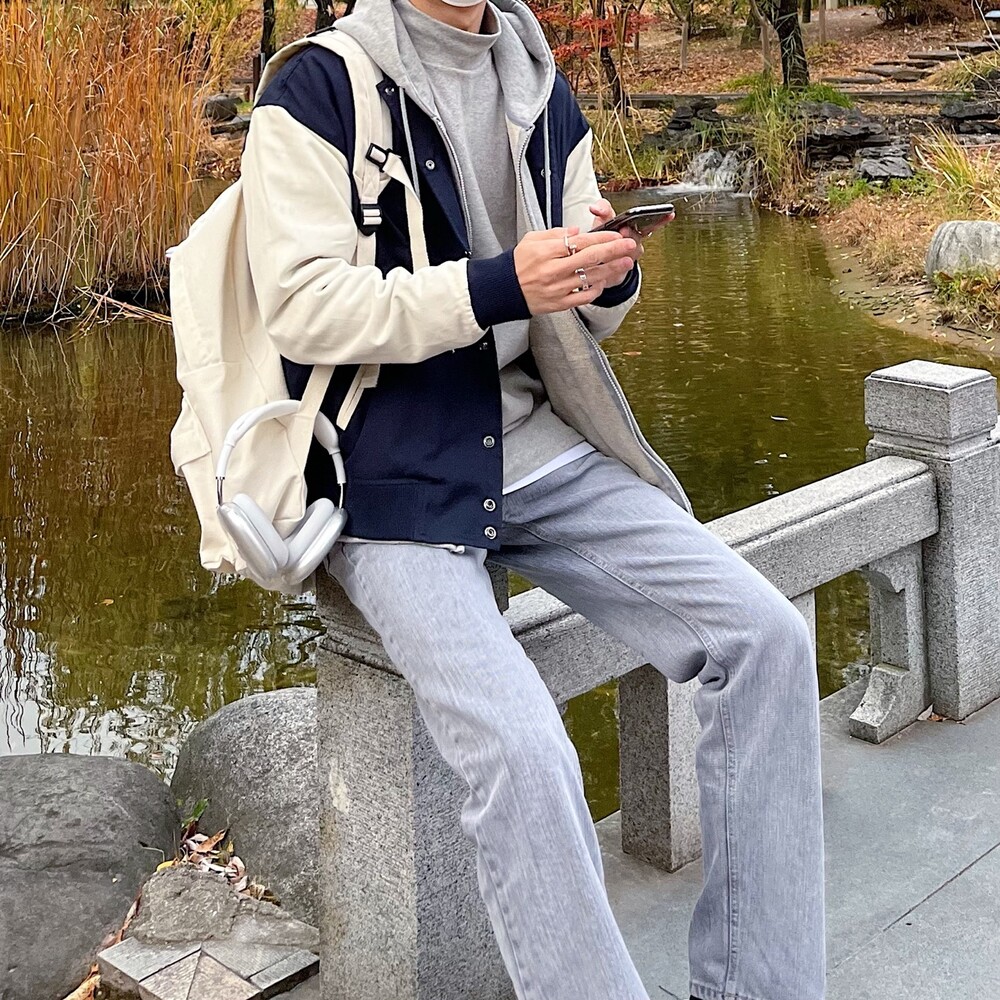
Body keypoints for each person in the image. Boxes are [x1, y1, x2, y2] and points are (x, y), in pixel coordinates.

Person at [240, 0, 826, 998]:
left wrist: (603, 276)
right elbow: (301, 306)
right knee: (521, 750)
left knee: (766, 637)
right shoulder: (317, 87)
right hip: (391, 470)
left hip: (538, 440)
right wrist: (497, 284)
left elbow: (579, 315)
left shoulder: (542, 87)